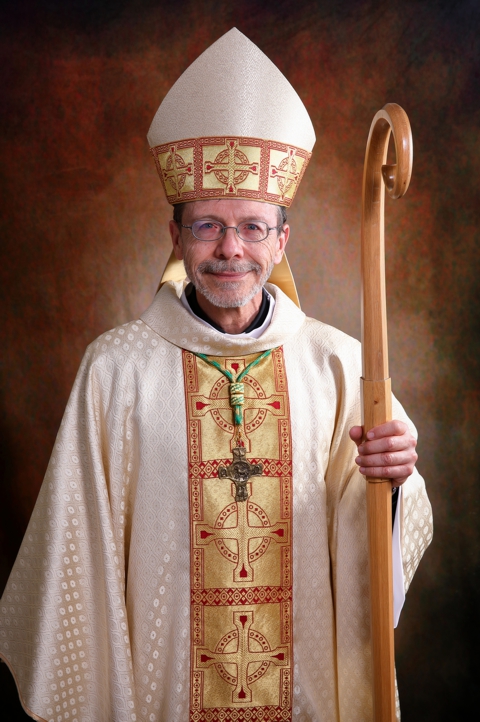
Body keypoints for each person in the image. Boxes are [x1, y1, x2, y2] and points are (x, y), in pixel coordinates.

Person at [0, 29, 432, 722]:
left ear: (282, 240)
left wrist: (392, 483)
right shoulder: (115, 369)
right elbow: (74, 559)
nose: (231, 249)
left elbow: (370, 555)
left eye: (253, 228)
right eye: (207, 227)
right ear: (176, 237)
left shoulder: (339, 363)